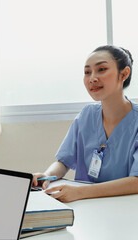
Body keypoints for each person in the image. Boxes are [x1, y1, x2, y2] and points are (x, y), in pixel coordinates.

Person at [33, 45, 138, 203]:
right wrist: (47, 176)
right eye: (87, 72)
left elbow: (136, 181)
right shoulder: (86, 115)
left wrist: (81, 192)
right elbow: (63, 161)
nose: (92, 78)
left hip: (125, 208)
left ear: (124, 73)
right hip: (85, 207)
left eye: (101, 69)